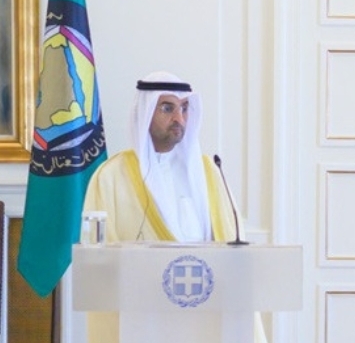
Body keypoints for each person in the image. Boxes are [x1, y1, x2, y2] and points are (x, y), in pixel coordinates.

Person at [82, 71, 267, 343]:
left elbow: (231, 243)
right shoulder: (111, 176)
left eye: (184, 108)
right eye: (167, 108)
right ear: (145, 113)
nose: (179, 118)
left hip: (204, 313)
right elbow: (99, 262)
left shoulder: (209, 172)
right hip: (143, 318)